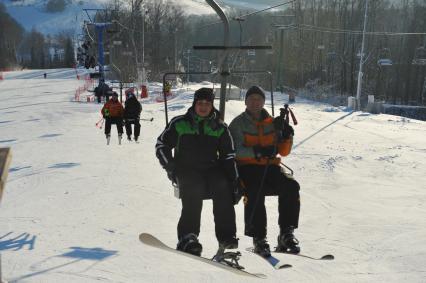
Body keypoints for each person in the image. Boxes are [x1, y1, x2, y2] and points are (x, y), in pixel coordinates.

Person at [155, 88, 241, 256]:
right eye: (200, 103)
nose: (203, 107)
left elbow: (228, 156)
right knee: (193, 187)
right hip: (186, 169)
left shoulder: (219, 127)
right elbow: (161, 145)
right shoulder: (180, 123)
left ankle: (226, 236)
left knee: (222, 185)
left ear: (212, 106)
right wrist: (171, 166)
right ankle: (188, 236)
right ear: (194, 104)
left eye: (207, 104)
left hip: (211, 168)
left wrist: (234, 180)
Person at [229, 85, 301, 257]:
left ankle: (286, 232)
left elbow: (283, 152)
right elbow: (234, 149)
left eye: (258, 99)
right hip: (247, 167)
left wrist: (287, 136)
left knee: (291, 186)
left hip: (270, 167)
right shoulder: (238, 124)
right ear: (246, 102)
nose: (255, 103)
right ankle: (259, 236)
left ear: (263, 102)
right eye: (251, 99)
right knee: (254, 190)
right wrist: (257, 151)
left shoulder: (273, 123)